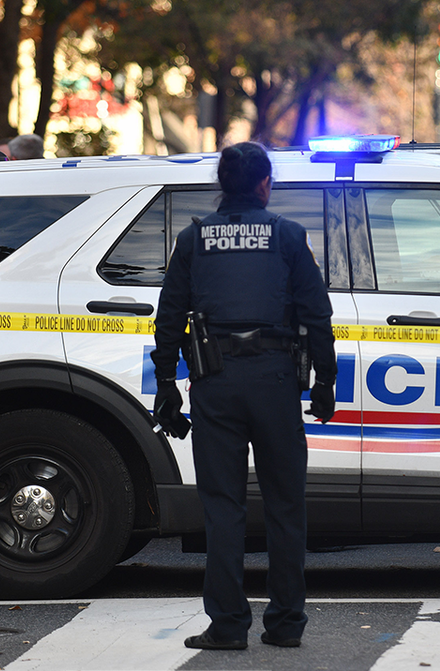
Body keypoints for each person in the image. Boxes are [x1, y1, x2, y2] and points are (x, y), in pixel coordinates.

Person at [151, 141, 336, 650]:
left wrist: (166, 383)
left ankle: (229, 625)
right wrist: (325, 382)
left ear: (222, 185)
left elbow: (169, 318)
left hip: (216, 383)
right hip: (276, 382)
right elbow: (317, 316)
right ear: (264, 185)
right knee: (284, 506)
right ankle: (285, 625)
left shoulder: (194, 240)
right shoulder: (288, 237)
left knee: (223, 507)